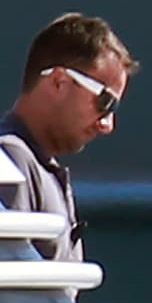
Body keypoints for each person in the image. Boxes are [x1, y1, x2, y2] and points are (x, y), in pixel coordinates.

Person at [0, 13, 137, 261]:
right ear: (59, 82)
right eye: (105, 102)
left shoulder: (32, 164)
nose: (108, 125)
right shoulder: (9, 159)